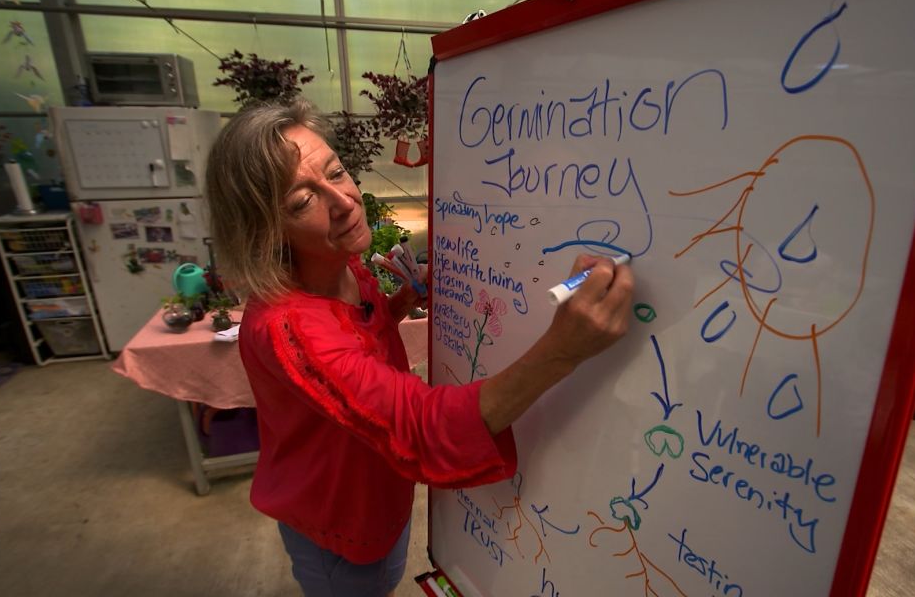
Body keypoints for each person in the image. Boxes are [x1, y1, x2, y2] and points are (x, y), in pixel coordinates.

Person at [205, 99, 634, 597]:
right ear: (263, 230)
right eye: (303, 201)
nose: (344, 201)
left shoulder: (340, 264)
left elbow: (359, 337)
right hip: (340, 521)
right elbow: (421, 428)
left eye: (337, 172)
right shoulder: (287, 326)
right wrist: (562, 350)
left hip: (381, 492)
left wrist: (404, 298)